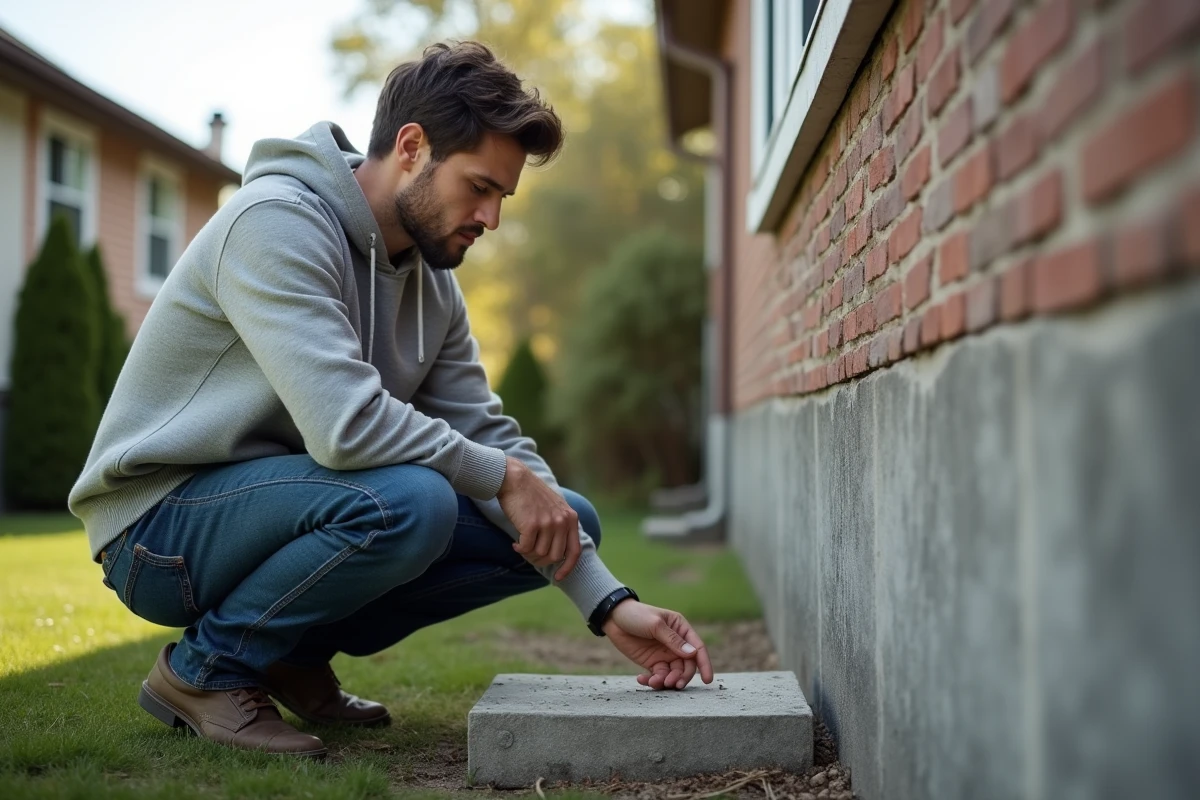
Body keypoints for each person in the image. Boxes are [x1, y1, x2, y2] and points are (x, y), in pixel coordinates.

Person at [68, 41, 714, 758]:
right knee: (411, 502)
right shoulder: (275, 222)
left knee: (564, 519)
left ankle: (290, 653)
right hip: (159, 528)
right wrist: (503, 476)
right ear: (411, 148)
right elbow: (344, 426)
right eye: (479, 187)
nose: (491, 218)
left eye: (502, 197)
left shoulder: (433, 282)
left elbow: (485, 432)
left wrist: (609, 601)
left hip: (281, 509)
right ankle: (205, 669)